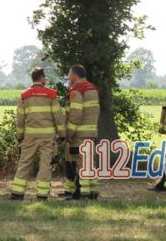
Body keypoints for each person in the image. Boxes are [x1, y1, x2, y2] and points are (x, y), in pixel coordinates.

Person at [10, 67, 65, 201]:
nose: (45, 79)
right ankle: (42, 194)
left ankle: (17, 193)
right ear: (40, 78)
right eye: (44, 77)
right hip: (47, 137)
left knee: (24, 163)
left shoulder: (24, 95)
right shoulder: (52, 94)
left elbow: (20, 118)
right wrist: (62, 134)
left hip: (30, 136)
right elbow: (58, 117)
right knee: (45, 164)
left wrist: (20, 136)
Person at [63, 64, 100, 200]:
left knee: (81, 163)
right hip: (91, 132)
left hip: (79, 134)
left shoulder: (77, 90)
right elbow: (97, 111)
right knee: (90, 163)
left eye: (69, 74)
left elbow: (75, 114)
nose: (68, 77)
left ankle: (81, 194)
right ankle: (93, 192)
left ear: (74, 76)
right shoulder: (93, 89)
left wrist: (69, 133)